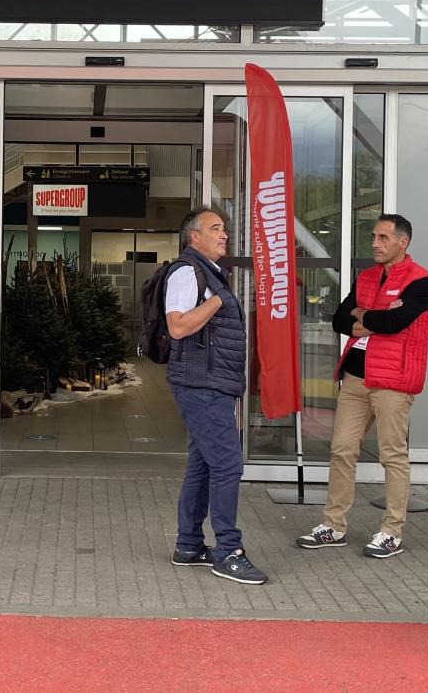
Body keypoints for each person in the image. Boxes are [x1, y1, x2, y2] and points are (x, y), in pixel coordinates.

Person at [296, 214, 428, 559]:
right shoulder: (367, 277)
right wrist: (373, 315)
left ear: (403, 242)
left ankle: (392, 532)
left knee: (392, 456)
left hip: (393, 380)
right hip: (355, 377)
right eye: (374, 236)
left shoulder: (422, 283)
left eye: (383, 238)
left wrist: (364, 315)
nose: (375, 243)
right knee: (341, 450)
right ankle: (333, 526)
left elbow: (394, 322)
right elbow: (339, 320)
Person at [165, 205, 267, 585]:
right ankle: (228, 552)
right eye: (215, 228)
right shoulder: (186, 272)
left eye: (224, 228)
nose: (224, 234)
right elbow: (177, 327)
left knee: (203, 464)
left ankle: (189, 545)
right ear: (195, 236)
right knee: (227, 464)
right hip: (201, 385)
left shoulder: (208, 273)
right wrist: (218, 301)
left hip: (210, 384)